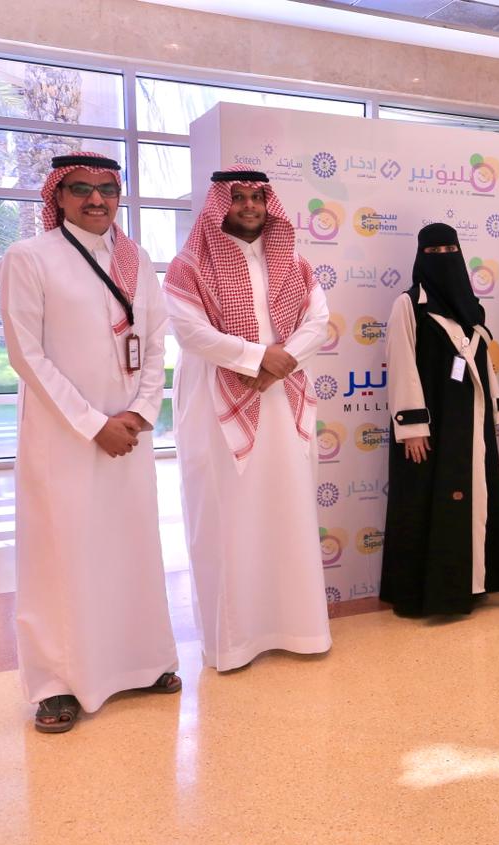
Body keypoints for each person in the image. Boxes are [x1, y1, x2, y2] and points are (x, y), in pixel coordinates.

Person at [0, 152, 179, 732]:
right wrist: (92, 422)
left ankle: (141, 661)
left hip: (129, 432)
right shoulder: (30, 257)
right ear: (58, 196)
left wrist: (141, 411)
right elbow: (27, 354)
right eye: (81, 188)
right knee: (62, 555)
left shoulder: (136, 258)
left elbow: (155, 340)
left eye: (107, 188)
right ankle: (58, 684)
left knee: (131, 546)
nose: (96, 199)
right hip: (64, 436)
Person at [164, 169, 332, 670]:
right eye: (237, 197)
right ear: (221, 204)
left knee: (287, 508)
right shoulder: (190, 265)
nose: (249, 205)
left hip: (282, 394)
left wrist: (280, 362)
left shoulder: (294, 262)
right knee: (226, 513)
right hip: (216, 397)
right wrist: (256, 357)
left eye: (257, 197)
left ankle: (300, 628)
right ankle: (234, 642)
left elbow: (318, 321)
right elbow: (190, 332)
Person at [382, 223, 499, 615]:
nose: (442, 258)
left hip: (472, 424)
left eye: (449, 250)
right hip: (432, 427)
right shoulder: (409, 304)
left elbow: (483, 364)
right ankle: (430, 594)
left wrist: (496, 409)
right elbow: (402, 365)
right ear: (420, 256)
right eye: (433, 251)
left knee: (476, 500)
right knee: (428, 503)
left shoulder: (470, 307)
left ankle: (473, 585)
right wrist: (412, 427)